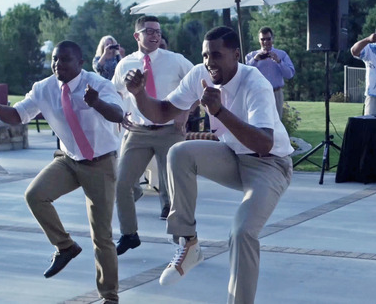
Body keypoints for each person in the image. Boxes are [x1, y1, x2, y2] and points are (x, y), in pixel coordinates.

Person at [123, 26, 293, 304]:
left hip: (270, 165)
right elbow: (164, 112)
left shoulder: (255, 82)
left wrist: (219, 112)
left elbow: (263, 143)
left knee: (242, 233)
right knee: (179, 153)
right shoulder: (200, 75)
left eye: (216, 55)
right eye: (205, 55)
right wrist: (139, 94)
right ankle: (188, 242)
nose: (209, 62)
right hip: (233, 156)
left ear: (236, 55)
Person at [0, 40, 124, 304]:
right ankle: (65, 246)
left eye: (65, 60)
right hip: (70, 160)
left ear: (80, 63)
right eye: (54, 59)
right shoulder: (44, 88)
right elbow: (17, 115)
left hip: (100, 163)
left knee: (102, 237)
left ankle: (110, 297)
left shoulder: (98, 85)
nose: (57, 65)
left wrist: (96, 103)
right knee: (34, 195)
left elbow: (118, 114)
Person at [111, 15, 194, 255]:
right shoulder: (125, 64)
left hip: (170, 131)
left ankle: (183, 240)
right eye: (149, 31)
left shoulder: (176, 61)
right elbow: (113, 92)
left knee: (176, 187)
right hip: (138, 131)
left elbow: (199, 84)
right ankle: (129, 234)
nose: (155, 35)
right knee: (122, 184)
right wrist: (119, 112)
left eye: (158, 31)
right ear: (137, 36)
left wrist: (184, 113)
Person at [245, 26, 295, 118]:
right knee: (259, 121)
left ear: (273, 39)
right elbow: (245, 75)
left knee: (276, 123)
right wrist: (255, 60)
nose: (265, 42)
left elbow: (290, 74)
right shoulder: (251, 56)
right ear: (259, 40)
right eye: (262, 39)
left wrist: (279, 61)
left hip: (276, 93)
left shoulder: (281, 54)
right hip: (259, 93)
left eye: (268, 39)